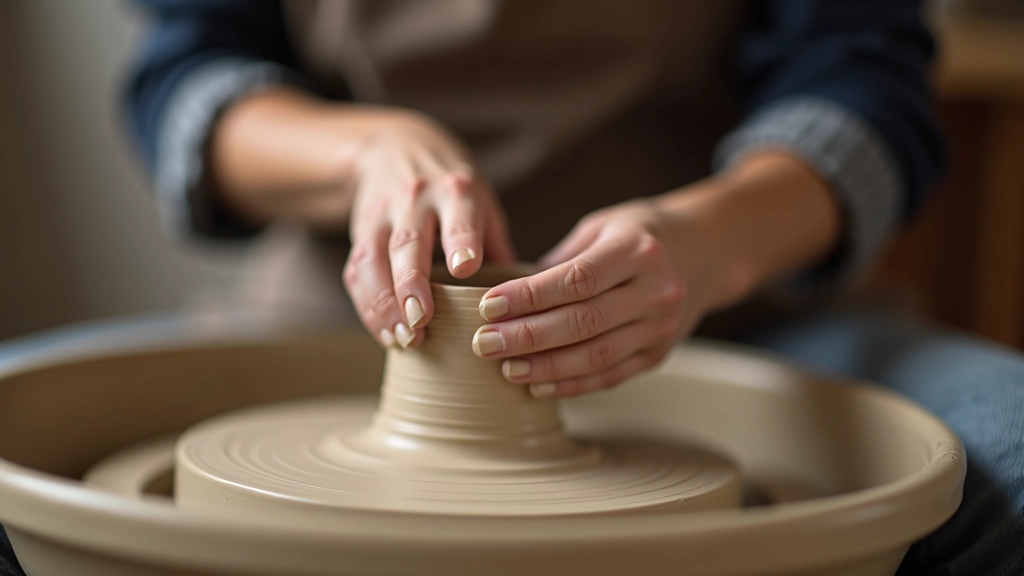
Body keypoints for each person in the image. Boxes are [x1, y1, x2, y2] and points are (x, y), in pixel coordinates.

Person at [2, 1, 1005, 575]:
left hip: (731, 310)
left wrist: (708, 241)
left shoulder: (718, 265)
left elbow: (866, 86)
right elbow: (190, 74)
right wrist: (365, 153)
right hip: (340, 315)